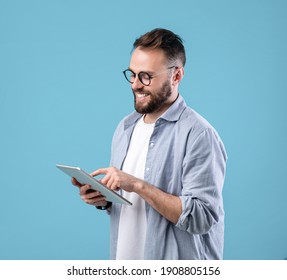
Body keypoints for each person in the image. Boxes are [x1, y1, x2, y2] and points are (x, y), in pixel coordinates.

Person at [72, 28, 227, 260]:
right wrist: (104, 199)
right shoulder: (125, 128)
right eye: (132, 74)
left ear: (176, 76)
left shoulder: (199, 134)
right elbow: (133, 207)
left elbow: (202, 218)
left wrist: (138, 185)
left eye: (146, 76)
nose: (135, 84)